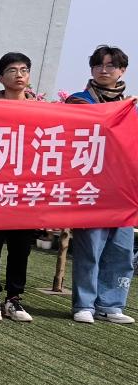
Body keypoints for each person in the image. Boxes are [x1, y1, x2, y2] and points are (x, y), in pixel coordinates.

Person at [66, 45, 135, 324]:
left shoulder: (131, 107)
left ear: (122, 71)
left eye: (110, 65)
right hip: (90, 186)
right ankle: (84, 304)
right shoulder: (78, 102)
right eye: (98, 65)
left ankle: (112, 304)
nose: (103, 70)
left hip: (124, 189)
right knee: (90, 248)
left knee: (121, 249)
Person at [0, 53, 35, 322]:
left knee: (21, 248)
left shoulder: (40, 110)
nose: (19, 75)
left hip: (26, 191)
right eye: (12, 70)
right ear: (1, 78)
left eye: (24, 70)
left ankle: (14, 298)